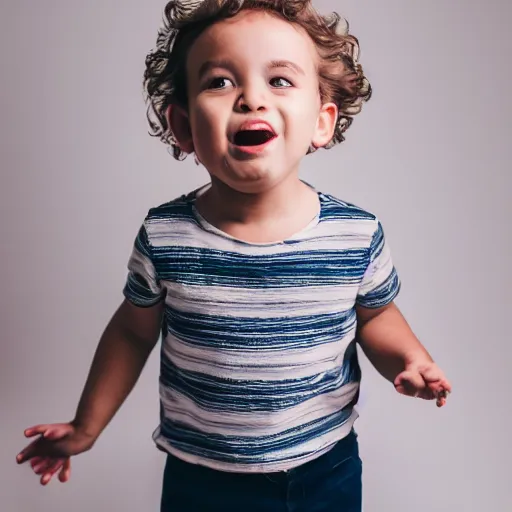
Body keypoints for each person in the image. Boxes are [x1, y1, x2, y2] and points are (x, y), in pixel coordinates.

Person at [16, 0, 452, 510]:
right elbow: (132, 332)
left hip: (322, 469)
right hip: (201, 479)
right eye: (220, 81)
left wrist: (410, 358)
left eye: (281, 81)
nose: (251, 99)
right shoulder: (166, 236)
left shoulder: (353, 235)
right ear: (182, 125)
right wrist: (86, 426)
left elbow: (376, 317)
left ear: (322, 120)